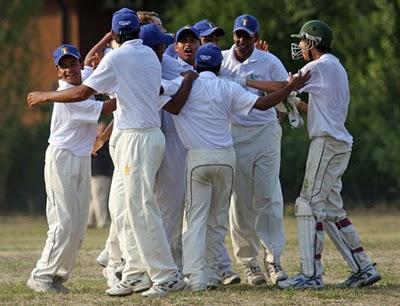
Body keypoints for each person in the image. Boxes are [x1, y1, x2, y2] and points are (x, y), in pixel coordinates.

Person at [27, 8, 186, 298]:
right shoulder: (149, 55)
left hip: (136, 139)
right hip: (141, 136)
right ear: (136, 33)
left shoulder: (117, 58)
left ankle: (167, 275)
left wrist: (45, 95)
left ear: (115, 34)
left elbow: (83, 92)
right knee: (122, 210)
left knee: (139, 208)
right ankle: (135, 273)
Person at [161, 43, 310, 291]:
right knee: (218, 221)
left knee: (196, 219)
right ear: (219, 67)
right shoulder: (227, 87)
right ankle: (214, 272)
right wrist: (290, 89)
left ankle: (198, 277)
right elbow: (263, 106)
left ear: (197, 65)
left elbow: (160, 92)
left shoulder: (184, 84)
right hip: (226, 159)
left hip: (198, 159)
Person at [276, 20, 381, 289]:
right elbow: (310, 108)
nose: (299, 46)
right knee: (332, 209)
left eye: (302, 41)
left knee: (307, 205)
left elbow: (284, 87)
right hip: (336, 143)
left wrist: (245, 81)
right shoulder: (335, 66)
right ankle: (364, 267)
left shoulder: (318, 66)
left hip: (327, 144)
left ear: (312, 43)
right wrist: (289, 100)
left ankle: (311, 275)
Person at [26, 44, 116, 293]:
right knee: (63, 222)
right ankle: (41, 274)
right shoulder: (68, 95)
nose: (69, 70)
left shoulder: (83, 77)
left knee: (77, 225)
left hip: (81, 158)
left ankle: (57, 276)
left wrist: (107, 37)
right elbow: (107, 108)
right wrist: (134, 91)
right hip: (61, 159)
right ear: (57, 72)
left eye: (72, 64)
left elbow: (90, 60)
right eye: (63, 66)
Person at [219, 14, 289, 286]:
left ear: (256, 39)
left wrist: (249, 82)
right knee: (240, 201)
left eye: (247, 37)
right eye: (238, 35)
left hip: (265, 132)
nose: (241, 41)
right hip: (234, 133)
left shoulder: (269, 61)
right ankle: (249, 264)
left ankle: (274, 259)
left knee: (268, 195)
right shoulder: (222, 60)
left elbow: (285, 88)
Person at [87, 121, 114, 229]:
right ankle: (102, 221)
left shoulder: (103, 142)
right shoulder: (98, 142)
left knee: (95, 198)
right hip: (98, 173)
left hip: (103, 173)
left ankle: (88, 220)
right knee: (99, 198)